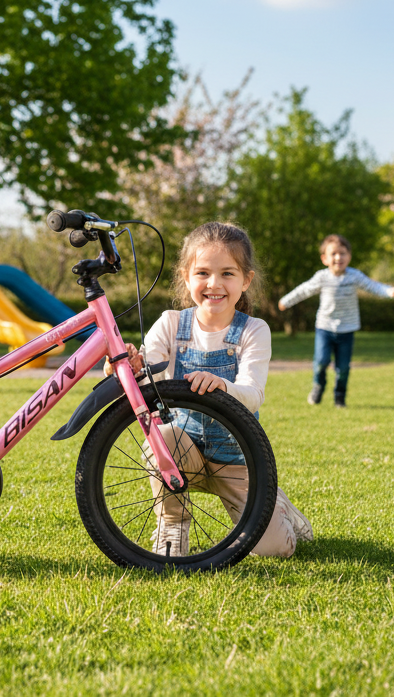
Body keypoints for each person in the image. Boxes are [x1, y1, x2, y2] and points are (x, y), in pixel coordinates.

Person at [118, 221, 312, 558]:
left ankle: (278, 504)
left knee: (272, 551)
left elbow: (253, 393)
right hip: (184, 453)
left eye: (227, 273)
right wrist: (128, 371)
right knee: (161, 435)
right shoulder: (171, 324)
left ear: (246, 280)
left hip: (238, 461)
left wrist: (223, 385)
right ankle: (173, 526)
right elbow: (145, 384)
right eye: (203, 273)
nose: (214, 284)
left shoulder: (254, 330)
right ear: (186, 277)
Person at [278, 234, 394, 408]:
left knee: (343, 368)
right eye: (333, 254)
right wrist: (285, 301)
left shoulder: (354, 276)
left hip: (347, 330)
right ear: (324, 258)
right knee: (321, 362)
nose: (338, 257)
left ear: (349, 256)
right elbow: (304, 290)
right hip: (324, 328)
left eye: (343, 253)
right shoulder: (322, 277)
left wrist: (390, 291)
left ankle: (340, 397)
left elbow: (373, 286)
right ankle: (318, 386)